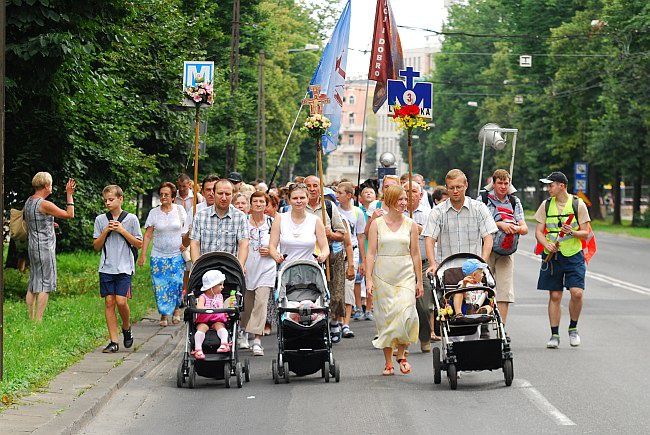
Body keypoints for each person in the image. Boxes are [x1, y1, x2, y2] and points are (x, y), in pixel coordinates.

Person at [423, 169, 498, 338]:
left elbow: (488, 238)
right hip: (447, 268)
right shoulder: (438, 211)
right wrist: (433, 264)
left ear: (466, 186)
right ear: (447, 188)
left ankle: (475, 340)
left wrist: (482, 263)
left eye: (458, 187)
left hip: (473, 267)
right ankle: (455, 347)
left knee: (475, 307)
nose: (455, 191)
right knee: (450, 311)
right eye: (451, 188)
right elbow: (429, 238)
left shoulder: (478, 208)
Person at [365, 185, 423, 376]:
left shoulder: (410, 224)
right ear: (390, 201)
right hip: (383, 275)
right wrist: (368, 280)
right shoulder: (377, 224)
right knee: (386, 318)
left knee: (408, 314)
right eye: (400, 199)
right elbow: (371, 253)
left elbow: (415, 254)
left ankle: (402, 354)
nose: (404, 203)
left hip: (405, 274)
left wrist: (419, 281)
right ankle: (389, 362)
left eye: (405, 199)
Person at [535, 171, 590, 349]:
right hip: (552, 255)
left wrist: (571, 232)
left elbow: (586, 233)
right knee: (555, 295)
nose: (548, 188)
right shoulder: (545, 205)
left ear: (562, 186)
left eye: (550, 185)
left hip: (573, 254)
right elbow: (538, 231)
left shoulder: (577, 204)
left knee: (577, 293)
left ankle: (573, 328)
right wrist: (546, 244)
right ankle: (554, 334)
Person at [93, 185, 143, 353]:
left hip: (124, 267)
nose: (107, 203)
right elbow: (96, 246)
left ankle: (127, 327)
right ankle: (113, 341)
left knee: (121, 301)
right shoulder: (100, 220)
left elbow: (139, 244)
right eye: (105, 200)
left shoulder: (131, 219)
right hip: (106, 267)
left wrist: (121, 230)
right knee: (109, 302)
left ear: (120, 199)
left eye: (111, 199)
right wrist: (106, 231)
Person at [24, 172, 76, 321]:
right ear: (46, 185)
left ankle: (31, 318)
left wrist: (49, 223)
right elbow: (69, 214)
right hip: (45, 247)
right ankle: (38, 321)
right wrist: (69, 194)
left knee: (33, 281)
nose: (51, 187)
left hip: (33, 246)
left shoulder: (29, 201)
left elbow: (34, 220)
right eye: (51, 184)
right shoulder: (44, 203)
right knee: (45, 284)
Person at [479, 169, 528, 326]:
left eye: (506, 183)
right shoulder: (483, 199)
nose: (503, 186)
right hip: (487, 248)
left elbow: (524, 228)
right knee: (484, 286)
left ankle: (502, 327)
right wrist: (500, 224)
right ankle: (484, 324)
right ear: (493, 183)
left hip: (506, 250)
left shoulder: (514, 202)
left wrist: (515, 228)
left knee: (505, 290)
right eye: (499, 183)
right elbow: (478, 224)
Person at [138, 182, 188, 326]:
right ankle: (164, 314)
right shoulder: (154, 213)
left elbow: (186, 231)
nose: (163, 197)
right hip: (158, 255)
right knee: (160, 285)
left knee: (177, 283)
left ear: (173, 196)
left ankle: (177, 309)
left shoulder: (180, 210)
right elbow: (147, 235)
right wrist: (143, 255)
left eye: (166, 194)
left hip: (176, 255)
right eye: (161, 194)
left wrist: (185, 244)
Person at [303, 175, 346, 343]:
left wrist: (330, 234)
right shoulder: (299, 207)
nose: (312, 189)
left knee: (335, 293)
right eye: (309, 186)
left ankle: (335, 321)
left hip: (331, 256)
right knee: (314, 293)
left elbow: (341, 235)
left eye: (316, 185)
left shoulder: (329, 207)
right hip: (307, 256)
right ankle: (317, 325)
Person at [242, 191, 277, 356]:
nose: (258, 204)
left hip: (266, 269)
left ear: (266, 204)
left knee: (261, 303)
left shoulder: (272, 223)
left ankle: (257, 340)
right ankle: (243, 332)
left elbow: (280, 246)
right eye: (255, 201)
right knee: (247, 306)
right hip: (247, 269)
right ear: (250, 204)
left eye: (261, 201)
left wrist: (271, 251)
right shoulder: (243, 223)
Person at [403, 180, 435, 351]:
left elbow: (434, 236)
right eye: (406, 191)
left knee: (423, 305)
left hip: (423, 263)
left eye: (413, 191)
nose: (409, 194)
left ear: (421, 195)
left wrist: (418, 228)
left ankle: (424, 336)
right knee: (403, 304)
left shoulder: (430, 213)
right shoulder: (397, 212)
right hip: (403, 263)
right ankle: (404, 340)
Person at [189, 179, 249, 267]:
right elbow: (194, 244)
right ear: (214, 193)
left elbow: (244, 244)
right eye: (220, 193)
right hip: (204, 268)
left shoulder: (240, 217)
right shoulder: (200, 216)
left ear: (232, 195)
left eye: (228, 194)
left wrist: (239, 268)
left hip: (230, 270)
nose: (224, 198)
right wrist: (197, 267)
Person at [268, 183, 329, 265]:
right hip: (287, 270)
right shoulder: (279, 218)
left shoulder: (315, 220)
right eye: (295, 198)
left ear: (307, 199)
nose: (299, 201)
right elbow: (272, 246)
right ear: (289, 200)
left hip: (309, 270)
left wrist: (322, 256)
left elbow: (325, 247)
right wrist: (276, 256)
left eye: (302, 198)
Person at [335, 182, 367, 337]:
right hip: (336, 253)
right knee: (338, 290)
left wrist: (362, 260)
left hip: (352, 253)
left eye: (340, 193)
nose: (337, 195)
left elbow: (360, 237)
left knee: (349, 288)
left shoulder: (357, 212)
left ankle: (346, 323)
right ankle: (338, 320)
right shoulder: (333, 211)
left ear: (349, 195)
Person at [193, 270, 230, 359]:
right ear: (211, 286)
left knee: (221, 327)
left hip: (216, 319)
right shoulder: (203, 297)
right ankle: (198, 349)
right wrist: (208, 309)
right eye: (220, 284)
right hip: (204, 319)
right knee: (201, 328)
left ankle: (224, 343)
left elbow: (221, 307)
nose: (222, 287)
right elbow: (199, 307)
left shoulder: (219, 296)